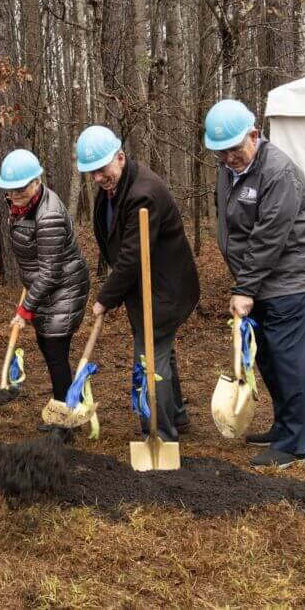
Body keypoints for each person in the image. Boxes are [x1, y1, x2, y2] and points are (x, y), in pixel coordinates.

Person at [204, 99, 305, 469]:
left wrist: (244, 289)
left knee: (289, 361)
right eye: (221, 153)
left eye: (235, 150)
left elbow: (269, 238)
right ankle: (284, 426)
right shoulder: (229, 169)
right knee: (268, 359)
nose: (228, 159)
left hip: (291, 280)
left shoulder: (278, 172)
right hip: (261, 281)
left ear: (254, 135)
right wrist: (246, 282)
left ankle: (295, 445)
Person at [77, 125, 200, 443]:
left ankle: (159, 432)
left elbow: (132, 255)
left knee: (149, 358)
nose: (97, 178)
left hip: (165, 288)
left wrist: (105, 297)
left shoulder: (144, 193)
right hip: (145, 285)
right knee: (161, 352)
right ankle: (177, 416)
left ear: (119, 157)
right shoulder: (114, 187)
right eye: (91, 172)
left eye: (101, 170)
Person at [0, 149, 90, 443]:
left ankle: (65, 423)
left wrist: (26, 310)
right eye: (10, 190)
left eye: (21, 189)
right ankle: (66, 409)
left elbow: (50, 271)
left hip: (65, 286)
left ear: (37, 182)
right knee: (48, 346)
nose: (15, 195)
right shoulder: (19, 205)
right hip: (45, 285)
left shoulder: (48, 214)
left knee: (55, 349)